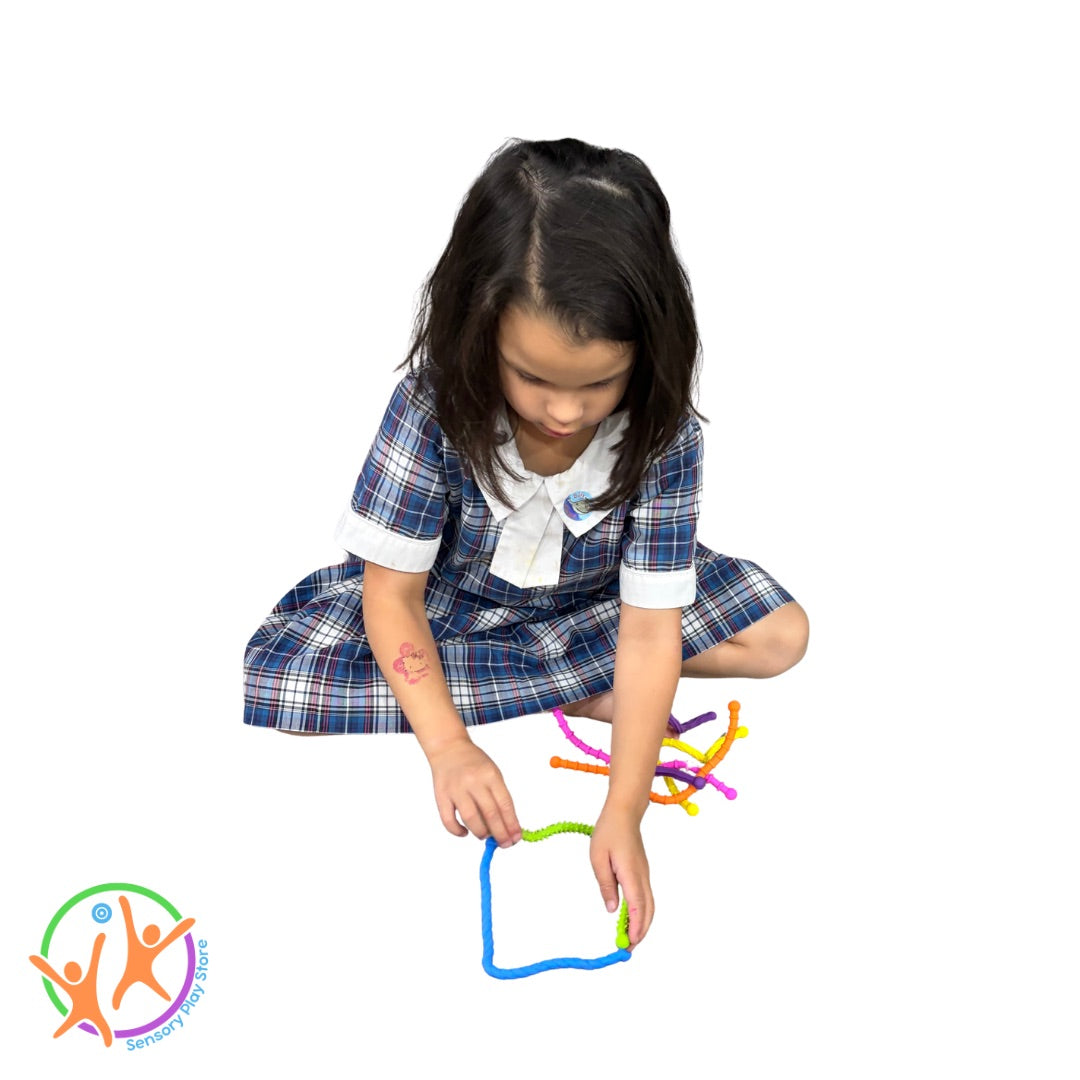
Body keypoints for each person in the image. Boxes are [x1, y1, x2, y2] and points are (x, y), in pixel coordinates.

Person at [243, 137, 809, 949]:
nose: (568, 414)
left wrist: (624, 808)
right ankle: (561, 685)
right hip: (449, 608)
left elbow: (650, 629)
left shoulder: (664, 431)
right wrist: (448, 747)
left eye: (599, 384)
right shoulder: (431, 407)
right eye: (534, 378)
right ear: (479, 329)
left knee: (780, 636)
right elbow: (391, 597)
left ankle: (556, 683)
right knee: (287, 694)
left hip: (597, 607)